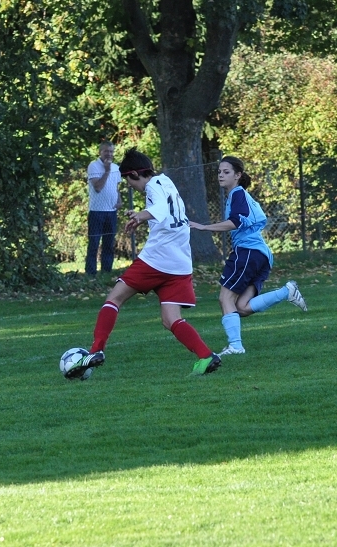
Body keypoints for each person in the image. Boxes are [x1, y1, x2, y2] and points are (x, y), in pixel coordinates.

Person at [66, 148, 221, 380]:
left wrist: (141, 215)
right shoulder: (166, 182)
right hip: (180, 262)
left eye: (129, 181)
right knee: (171, 319)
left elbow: (160, 209)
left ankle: (96, 351)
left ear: (135, 174)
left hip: (157, 259)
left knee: (114, 298)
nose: (131, 186)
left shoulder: (152, 186)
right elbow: (165, 211)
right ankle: (206, 356)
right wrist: (142, 216)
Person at [189, 156, 307, 357]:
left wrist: (204, 227)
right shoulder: (238, 195)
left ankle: (235, 346)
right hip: (260, 255)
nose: (220, 175)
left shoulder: (237, 194)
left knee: (225, 298)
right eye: (219, 172)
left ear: (238, 175)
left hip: (248, 252)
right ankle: (286, 292)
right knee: (241, 307)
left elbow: (236, 221)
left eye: (226, 172)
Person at [85, 141, 123, 276]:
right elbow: (98, 187)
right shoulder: (93, 166)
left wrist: (119, 200)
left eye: (111, 151)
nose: (109, 154)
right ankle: (91, 273)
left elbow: (115, 187)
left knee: (109, 243)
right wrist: (106, 171)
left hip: (111, 211)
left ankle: (106, 272)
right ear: (100, 152)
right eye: (106, 151)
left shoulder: (116, 168)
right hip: (97, 211)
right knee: (94, 243)